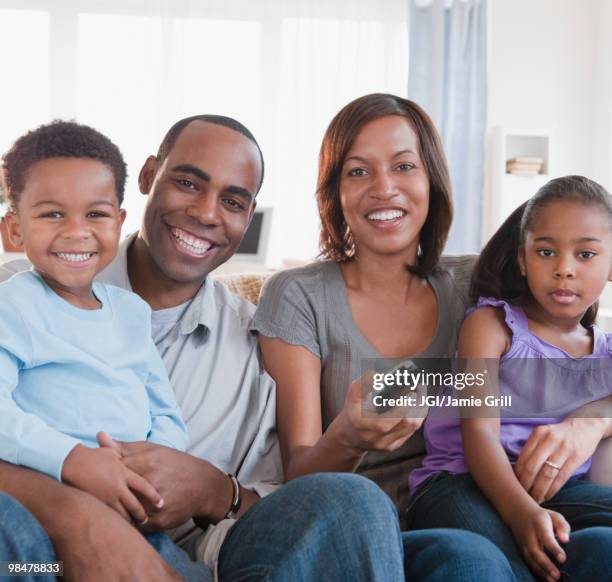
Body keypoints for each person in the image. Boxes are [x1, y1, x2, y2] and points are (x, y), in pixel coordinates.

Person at [0, 115, 408, 582]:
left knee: (356, 502)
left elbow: (281, 508)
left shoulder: (255, 342)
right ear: (150, 175)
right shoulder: (14, 299)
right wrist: (74, 512)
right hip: (36, 554)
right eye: (189, 183)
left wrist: (203, 486)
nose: (207, 213)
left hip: (169, 545)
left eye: (232, 201)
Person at [251, 93, 516, 579]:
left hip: (469, 508)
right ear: (334, 192)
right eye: (358, 171)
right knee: (469, 558)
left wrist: (588, 425)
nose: (383, 188)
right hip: (358, 533)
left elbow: (576, 368)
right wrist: (349, 436)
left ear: (431, 179)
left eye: (403, 166)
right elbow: (299, 478)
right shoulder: (298, 295)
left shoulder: (477, 283)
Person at [408, 176, 612, 582]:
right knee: (494, 566)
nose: (564, 270)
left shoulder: (604, 351)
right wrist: (521, 513)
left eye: (586, 254)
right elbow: (478, 434)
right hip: (460, 482)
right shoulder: (489, 326)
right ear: (523, 260)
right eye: (546, 252)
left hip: (559, 490)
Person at [0, 119, 192, 535]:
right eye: (52, 214)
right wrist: (72, 458)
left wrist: (152, 464)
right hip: (42, 507)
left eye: (96, 214)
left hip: (131, 504)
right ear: (15, 229)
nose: (76, 231)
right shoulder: (12, 306)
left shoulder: (131, 312)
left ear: (119, 222)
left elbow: (165, 410)